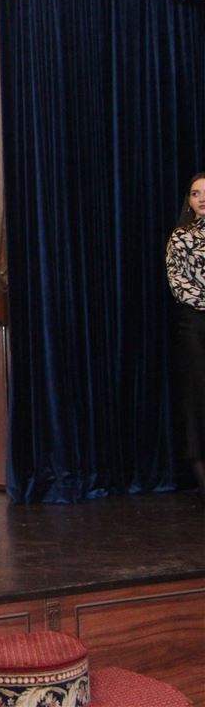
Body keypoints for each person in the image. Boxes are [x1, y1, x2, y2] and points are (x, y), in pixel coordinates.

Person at [165, 172, 205, 494]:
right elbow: (180, 285)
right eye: (195, 193)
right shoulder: (181, 238)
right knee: (198, 399)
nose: (201, 198)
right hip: (196, 328)